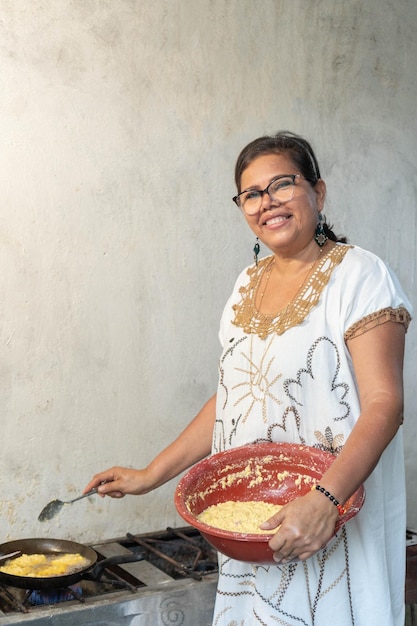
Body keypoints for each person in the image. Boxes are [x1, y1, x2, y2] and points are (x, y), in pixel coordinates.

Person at [84, 131, 412, 625]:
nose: (267, 203)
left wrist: (325, 499)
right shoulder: (246, 285)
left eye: (282, 184)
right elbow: (235, 398)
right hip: (255, 522)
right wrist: (151, 474)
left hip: (331, 518)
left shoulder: (361, 277)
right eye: (251, 194)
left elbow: (386, 404)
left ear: (317, 193)